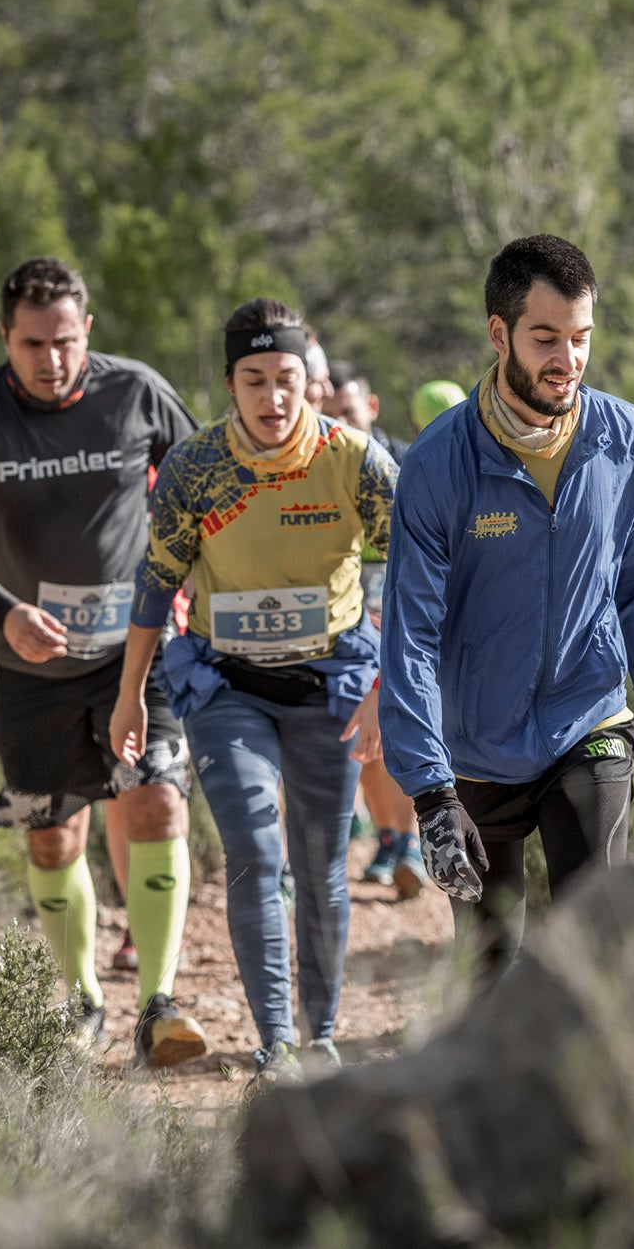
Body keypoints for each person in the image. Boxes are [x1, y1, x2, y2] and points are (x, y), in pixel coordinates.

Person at [0, 255, 208, 1068]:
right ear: (5, 338)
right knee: (52, 835)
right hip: (30, 668)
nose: (53, 359)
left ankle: (159, 1000)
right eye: (33, 343)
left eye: (67, 341)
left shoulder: (137, 391)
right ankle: (81, 1001)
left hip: (139, 654)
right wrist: (4, 612)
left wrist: (183, 592)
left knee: (155, 801)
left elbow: (202, 491)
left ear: (89, 332)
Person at [379, 234, 634, 980]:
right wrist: (430, 791)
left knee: (598, 947)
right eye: (546, 337)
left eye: (581, 337)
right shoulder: (436, 466)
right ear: (499, 333)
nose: (568, 359)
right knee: (490, 970)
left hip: (589, 718)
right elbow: (411, 639)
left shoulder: (623, 439)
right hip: (477, 749)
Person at [111, 299, 398, 1089]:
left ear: (311, 379)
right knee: (255, 853)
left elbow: (419, 566)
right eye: (255, 380)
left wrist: (385, 681)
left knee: (320, 863)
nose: (273, 398)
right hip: (226, 684)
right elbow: (156, 579)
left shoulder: (354, 459)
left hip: (330, 683)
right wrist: (130, 692)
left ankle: (321, 1035)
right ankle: (276, 1043)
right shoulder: (197, 468)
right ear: (231, 382)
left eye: (287, 379)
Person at [326, 358, 425, 895]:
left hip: (402, 612)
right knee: (361, 739)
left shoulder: (409, 463)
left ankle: (408, 840)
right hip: (347, 615)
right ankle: (390, 839)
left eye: (348, 411)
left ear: (371, 407)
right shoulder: (323, 467)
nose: (340, 422)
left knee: (390, 730)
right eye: (330, 413)